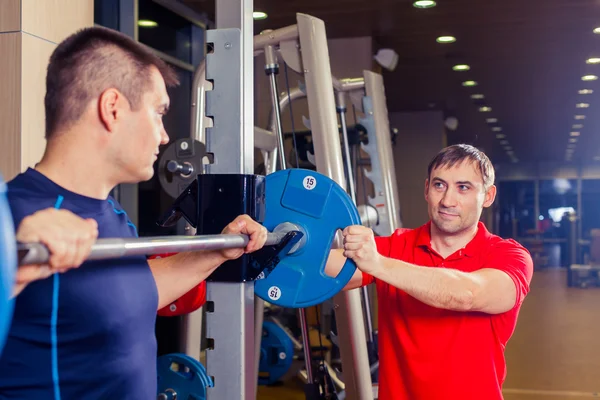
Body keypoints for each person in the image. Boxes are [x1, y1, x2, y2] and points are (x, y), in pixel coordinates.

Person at [0, 26, 268, 399]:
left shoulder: (110, 213)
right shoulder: (14, 219)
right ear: (112, 108)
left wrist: (218, 252)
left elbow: (136, 291)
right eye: (158, 113)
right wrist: (13, 267)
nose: (163, 135)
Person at [329, 144, 534, 400]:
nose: (448, 200)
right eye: (439, 185)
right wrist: (272, 240)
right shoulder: (396, 247)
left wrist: (379, 264)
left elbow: (468, 295)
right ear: (427, 189)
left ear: (488, 196)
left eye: (463, 187)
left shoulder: (509, 256)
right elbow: (322, 269)